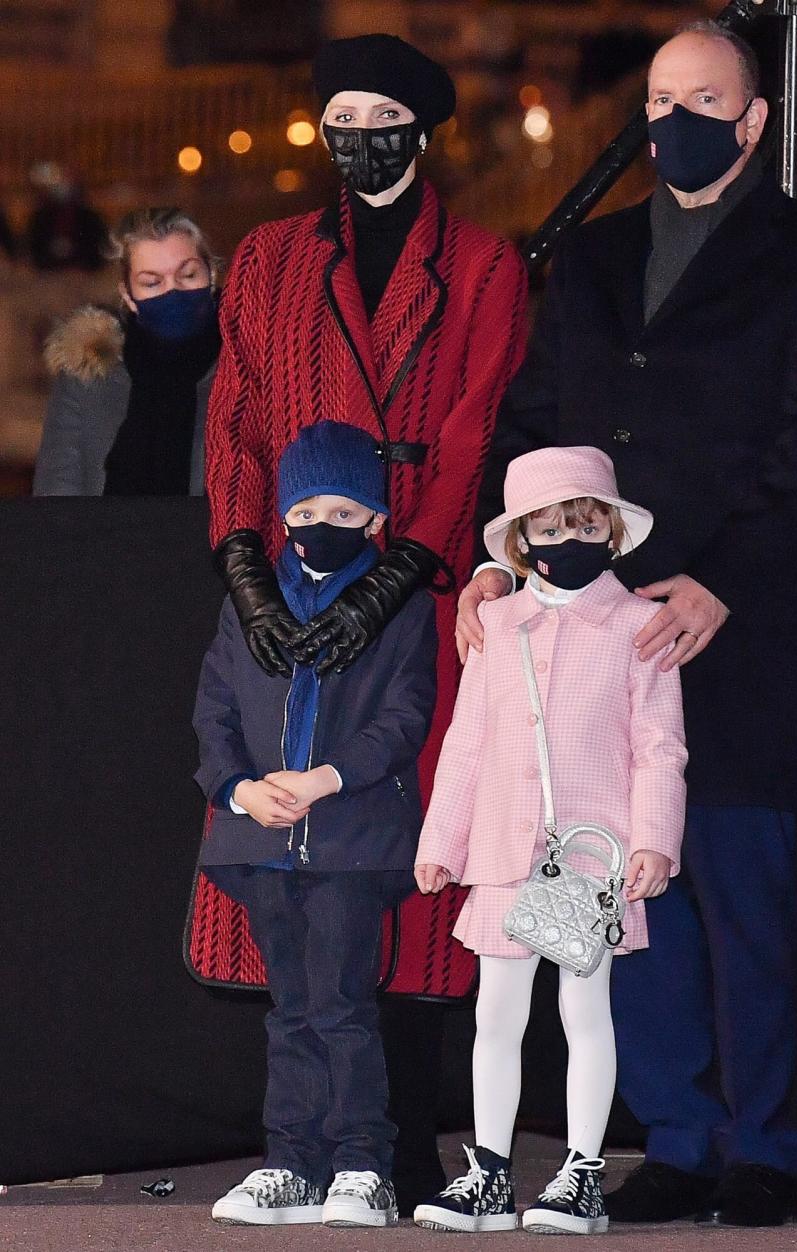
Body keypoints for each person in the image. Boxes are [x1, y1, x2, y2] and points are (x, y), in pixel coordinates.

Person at [459, 21, 797, 1229]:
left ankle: (763, 1145)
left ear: (754, 122)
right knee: (615, 903)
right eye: (658, 97)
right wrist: (501, 558)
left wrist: (720, 578)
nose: (674, 118)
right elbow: (534, 422)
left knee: (741, 893)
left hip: (729, 629)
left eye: (704, 98)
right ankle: (676, 1137)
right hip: (587, 633)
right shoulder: (588, 261)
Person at [197, 33, 528, 1208]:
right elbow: (234, 418)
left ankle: (401, 1143)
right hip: (284, 592)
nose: (360, 132)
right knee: (296, 861)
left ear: (422, 129)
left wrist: (404, 574)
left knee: (412, 855)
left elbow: (478, 425)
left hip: (417, 603)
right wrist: (244, 562)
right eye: (342, 112)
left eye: (382, 111)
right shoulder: (269, 257)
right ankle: (305, 1144)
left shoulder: (484, 264)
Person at [412, 446, 687, 1236]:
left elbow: (659, 746)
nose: (571, 536)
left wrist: (655, 838)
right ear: (523, 540)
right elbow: (466, 741)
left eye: (586, 521)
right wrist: (443, 840)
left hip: (594, 853)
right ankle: (490, 1174)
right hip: (503, 847)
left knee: (583, 1009)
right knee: (495, 1013)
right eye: (552, 525)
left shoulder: (639, 624)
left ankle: (582, 1174)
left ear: (610, 530)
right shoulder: (495, 623)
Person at [193, 421, 437, 1227]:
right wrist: (237, 790)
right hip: (264, 844)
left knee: (340, 1008)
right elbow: (216, 709)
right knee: (290, 1009)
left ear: (375, 521)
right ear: (282, 517)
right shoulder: (249, 606)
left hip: (352, 845)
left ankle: (363, 1163)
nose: (319, 525)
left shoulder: (397, 609)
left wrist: (329, 778)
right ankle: (290, 1161)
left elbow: (406, 717)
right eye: (303, 510)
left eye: (343, 510)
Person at [33, 207, 220, 496]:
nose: (173, 291)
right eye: (152, 282)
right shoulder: (88, 374)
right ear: (128, 296)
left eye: (189, 274)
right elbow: (56, 500)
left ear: (211, 276)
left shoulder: (245, 366)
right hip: (104, 541)